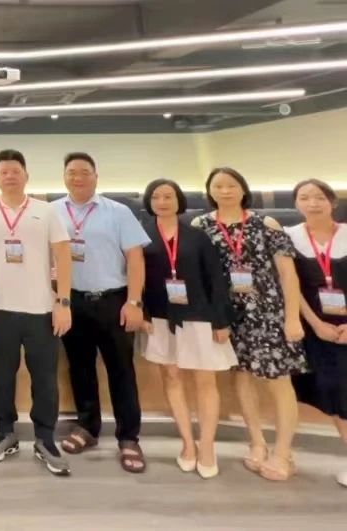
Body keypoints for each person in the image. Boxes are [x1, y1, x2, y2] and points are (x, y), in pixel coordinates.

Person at [194, 167, 306, 481]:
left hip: (268, 311)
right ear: (209, 191)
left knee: (278, 379)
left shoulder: (265, 223)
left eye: (231, 185)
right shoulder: (201, 226)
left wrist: (292, 317)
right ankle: (256, 442)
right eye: (218, 186)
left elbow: (287, 274)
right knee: (241, 377)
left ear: (243, 189)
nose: (225, 191)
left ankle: (283, 452)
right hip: (228, 313)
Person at [0, 149, 73, 477]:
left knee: (45, 378)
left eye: (15, 170)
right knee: (2, 376)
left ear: (26, 175)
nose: (10, 176)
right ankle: (5, 432)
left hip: (42, 310)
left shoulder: (46, 211)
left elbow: (63, 256)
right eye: (4, 171)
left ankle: (45, 438)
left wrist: (63, 303)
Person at [50, 152, 150, 473]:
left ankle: (128, 437)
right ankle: (87, 427)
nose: (77, 178)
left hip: (113, 300)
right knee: (80, 368)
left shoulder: (118, 212)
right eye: (71, 172)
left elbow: (135, 259)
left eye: (84, 172)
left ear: (96, 176)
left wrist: (134, 302)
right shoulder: (52, 212)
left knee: (121, 370)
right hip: (72, 301)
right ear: (64, 177)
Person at [139, 179, 236, 480]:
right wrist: (142, 313)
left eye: (168, 196)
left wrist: (221, 320)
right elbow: (135, 278)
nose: (162, 201)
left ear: (179, 200)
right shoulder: (140, 235)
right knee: (172, 377)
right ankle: (187, 443)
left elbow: (216, 279)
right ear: (148, 202)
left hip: (199, 316)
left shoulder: (197, 236)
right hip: (159, 317)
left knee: (205, 381)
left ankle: (207, 445)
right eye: (156, 197)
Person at [285, 178, 347, 487]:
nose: (313, 203)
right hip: (315, 329)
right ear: (296, 204)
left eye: (320, 197)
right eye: (305, 197)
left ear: (332, 202)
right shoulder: (288, 237)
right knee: (336, 394)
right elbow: (290, 286)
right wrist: (316, 324)